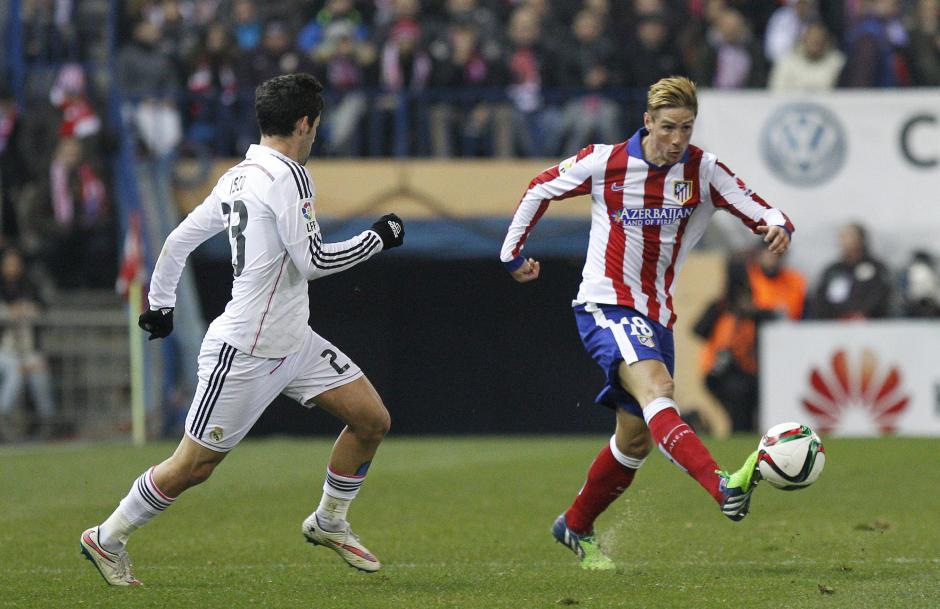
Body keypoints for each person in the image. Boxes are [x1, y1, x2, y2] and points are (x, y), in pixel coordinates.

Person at [80, 73, 405, 586]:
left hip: (293, 340)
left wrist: (161, 305)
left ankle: (329, 520)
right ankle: (108, 536)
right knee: (192, 466)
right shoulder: (289, 176)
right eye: (316, 124)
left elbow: (178, 240)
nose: (316, 132)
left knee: (371, 420)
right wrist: (378, 238)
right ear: (305, 123)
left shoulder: (238, 175)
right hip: (246, 349)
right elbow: (314, 261)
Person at [499, 76, 793, 570]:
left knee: (635, 439)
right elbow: (540, 187)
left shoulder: (703, 170)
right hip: (605, 304)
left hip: (656, 315)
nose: (678, 139)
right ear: (647, 123)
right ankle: (722, 486)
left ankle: (575, 525)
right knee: (659, 389)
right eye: (669, 127)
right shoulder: (605, 161)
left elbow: (762, 210)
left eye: (687, 127)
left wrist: (778, 226)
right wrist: (511, 254)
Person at [814, 222, 893, 320]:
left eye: (849, 236)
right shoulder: (833, 270)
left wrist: (862, 313)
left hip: (871, 323)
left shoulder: (877, 268)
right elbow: (822, 298)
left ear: (861, 239)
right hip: (836, 324)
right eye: (842, 237)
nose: (844, 241)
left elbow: (881, 296)